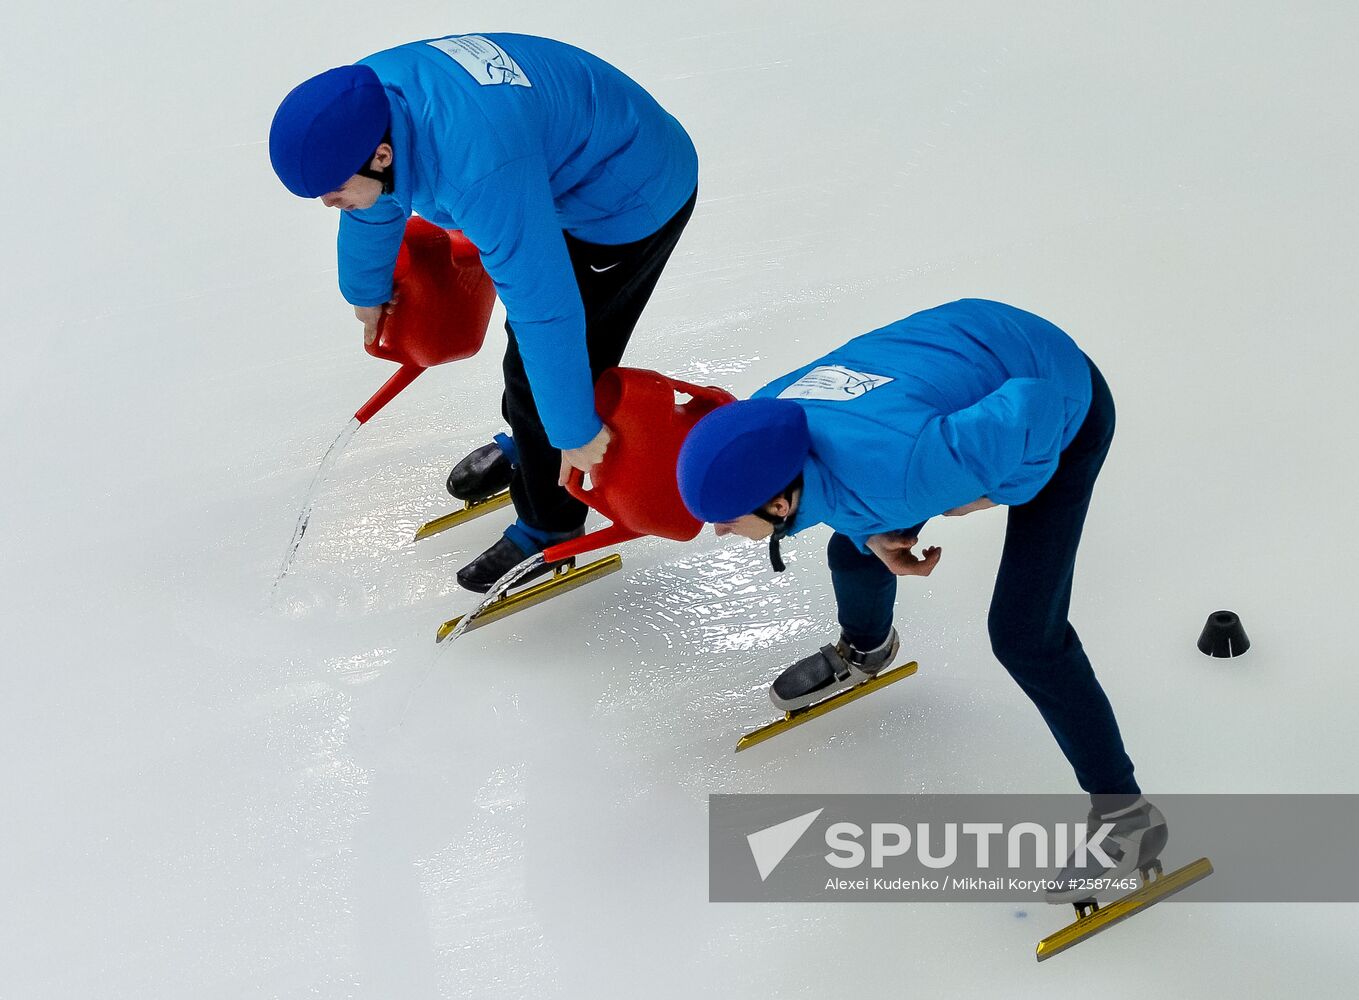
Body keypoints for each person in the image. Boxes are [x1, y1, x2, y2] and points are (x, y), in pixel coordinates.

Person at [676, 298, 1165, 895]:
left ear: (779, 505)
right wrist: (875, 531)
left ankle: (1126, 816)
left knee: (1024, 634)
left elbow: (1031, 409)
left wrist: (992, 490)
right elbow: (848, 478)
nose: (721, 531)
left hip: (1058, 401)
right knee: (852, 549)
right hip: (965, 356)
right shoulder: (770, 418)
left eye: (726, 520)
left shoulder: (910, 468)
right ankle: (868, 650)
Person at [269, 33, 698, 591]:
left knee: (545, 360)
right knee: (538, 369)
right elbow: (377, 201)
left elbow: (547, 310)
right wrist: (366, 288)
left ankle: (551, 528)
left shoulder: (478, 166)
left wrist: (572, 428)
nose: (329, 204)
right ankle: (534, 440)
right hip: (553, 168)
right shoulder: (373, 106)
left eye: (332, 190)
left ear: (380, 154)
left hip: (626, 199)